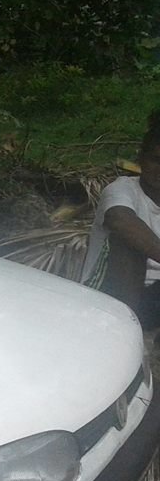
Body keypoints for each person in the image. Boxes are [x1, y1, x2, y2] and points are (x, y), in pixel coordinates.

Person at [82, 111, 160, 327]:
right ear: (141, 158)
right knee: (129, 244)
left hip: (153, 298)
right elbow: (120, 220)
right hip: (108, 295)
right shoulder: (122, 189)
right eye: (156, 160)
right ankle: (123, 330)